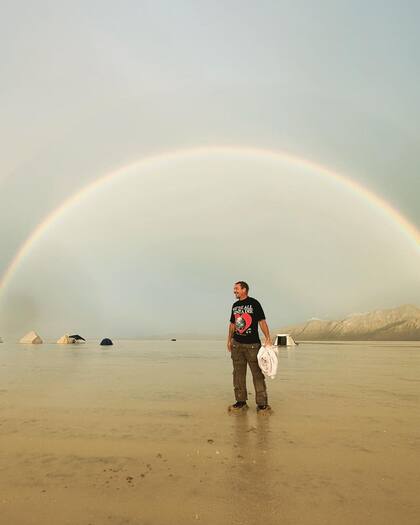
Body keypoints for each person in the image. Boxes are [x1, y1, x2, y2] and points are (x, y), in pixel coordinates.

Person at [227, 281, 272, 413]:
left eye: (236, 289)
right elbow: (232, 324)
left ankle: (262, 404)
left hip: (253, 345)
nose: (234, 291)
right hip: (237, 345)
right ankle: (241, 402)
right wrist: (229, 340)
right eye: (234, 289)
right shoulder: (235, 306)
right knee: (238, 375)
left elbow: (262, 321)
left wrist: (268, 338)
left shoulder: (254, 303)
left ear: (244, 289)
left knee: (257, 374)